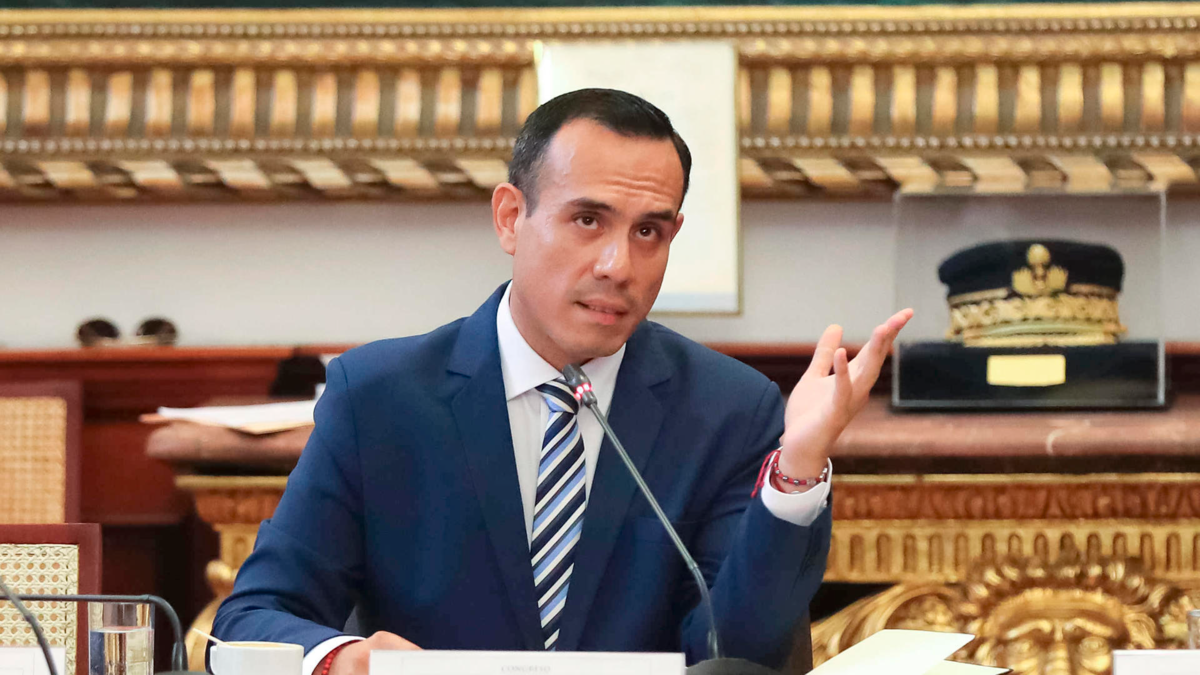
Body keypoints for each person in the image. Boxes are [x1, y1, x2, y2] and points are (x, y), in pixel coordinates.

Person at [211, 88, 911, 675]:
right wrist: (341, 658)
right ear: (511, 218)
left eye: (649, 232)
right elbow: (253, 616)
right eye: (587, 220)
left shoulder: (727, 408)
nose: (618, 265)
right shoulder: (379, 398)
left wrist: (796, 469)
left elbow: (737, 656)